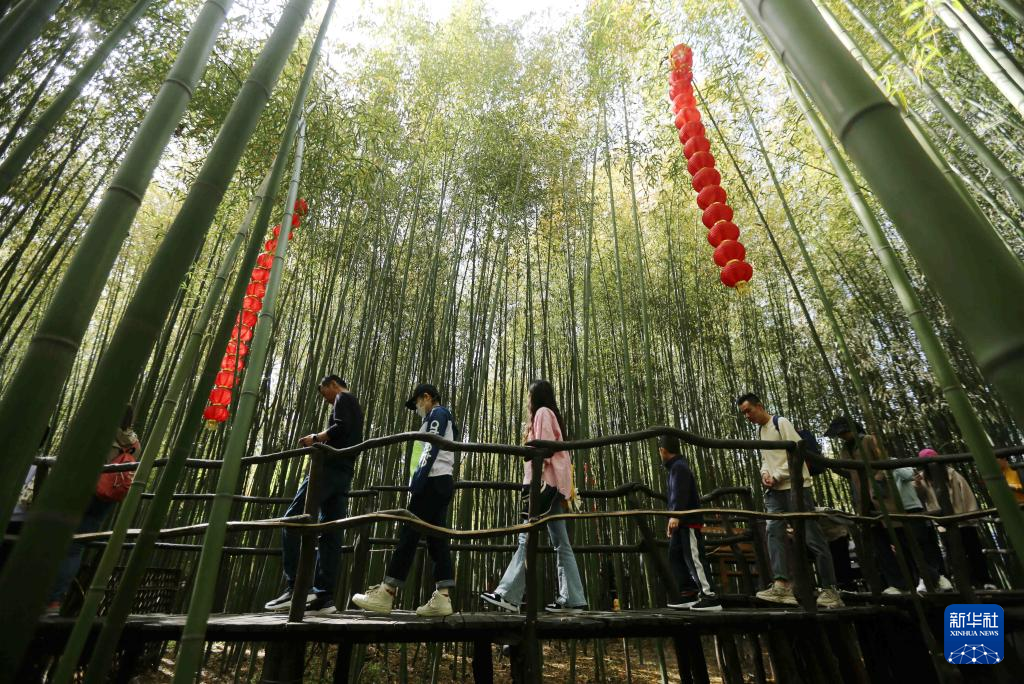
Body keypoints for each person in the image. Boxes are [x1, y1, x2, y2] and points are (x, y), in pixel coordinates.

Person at [481, 380, 588, 613]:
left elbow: (544, 449)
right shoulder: (551, 413)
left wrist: (533, 461)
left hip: (543, 485)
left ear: (536, 397)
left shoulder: (542, 413)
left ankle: (508, 595)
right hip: (555, 485)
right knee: (561, 543)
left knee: (526, 538)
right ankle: (573, 599)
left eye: (529, 396)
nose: (528, 401)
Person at [352, 383, 458, 617]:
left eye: (418, 403)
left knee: (409, 535)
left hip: (431, 482)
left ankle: (386, 592)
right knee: (437, 540)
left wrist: (418, 482)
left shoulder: (437, 414)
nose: (418, 408)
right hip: (440, 482)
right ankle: (443, 597)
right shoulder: (440, 416)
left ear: (427, 397)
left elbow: (430, 448)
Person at [264, 375, 363, 615]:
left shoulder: (343, 397)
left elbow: (340, 427)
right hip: (344, 472)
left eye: (323, 393)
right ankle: (323, 597)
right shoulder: (355, 404)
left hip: (327, 470)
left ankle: (296, 586)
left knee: (291, 520)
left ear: (331, 385)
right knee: (330, 532)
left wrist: (315, 438)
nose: (325, 399)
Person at [736, 393, 843, 608]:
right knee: (773, 531)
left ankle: (830, 589)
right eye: (743, 413)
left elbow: (798, 453)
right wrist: (765, 474)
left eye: (748, 410)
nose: (747, 416)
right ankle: (782, 585)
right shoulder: (759, 431)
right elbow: (766, 460)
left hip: (796, 487)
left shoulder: (780, 423)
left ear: (760, 405)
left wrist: (778, 475)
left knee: (811, 536)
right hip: (774, 491)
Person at [826, 416, 952, 593]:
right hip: (864, 501)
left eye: (843, 432)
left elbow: (884, 464)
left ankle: (935, 577)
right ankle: (897, 584)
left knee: (906, 542)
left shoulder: (869, 440)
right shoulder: (846, 449)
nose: (841, 436)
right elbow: (847, 470)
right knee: (881, 545)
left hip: (883, 498)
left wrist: (876, 481)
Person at [48, 408, 139, 614]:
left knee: (54, 538)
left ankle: (45, 596)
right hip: (107, 497)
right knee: (75, 547)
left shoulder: (101, 431)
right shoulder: (133, 442)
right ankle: (55, 602)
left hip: (82, 490)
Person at [657, 434, 722, 611]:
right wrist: (672, 518)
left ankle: (710, 596)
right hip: (680, 521)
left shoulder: (679, 467)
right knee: (675, 556)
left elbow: (681, 492)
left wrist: (676, 515)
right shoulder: (674, 468)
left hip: (688, 521)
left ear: (663, 451)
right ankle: (688, 593)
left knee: (694, 557)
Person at [915, 448, 994, 589]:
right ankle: (966, 584)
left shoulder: (952, 474)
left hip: (963, 520)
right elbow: (921, 498)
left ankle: (985, 581)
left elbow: (966, 494)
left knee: (974, 551)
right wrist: (917, 485)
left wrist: (971, 515)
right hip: (943, 523)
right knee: (954, 556)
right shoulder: (922, 479)